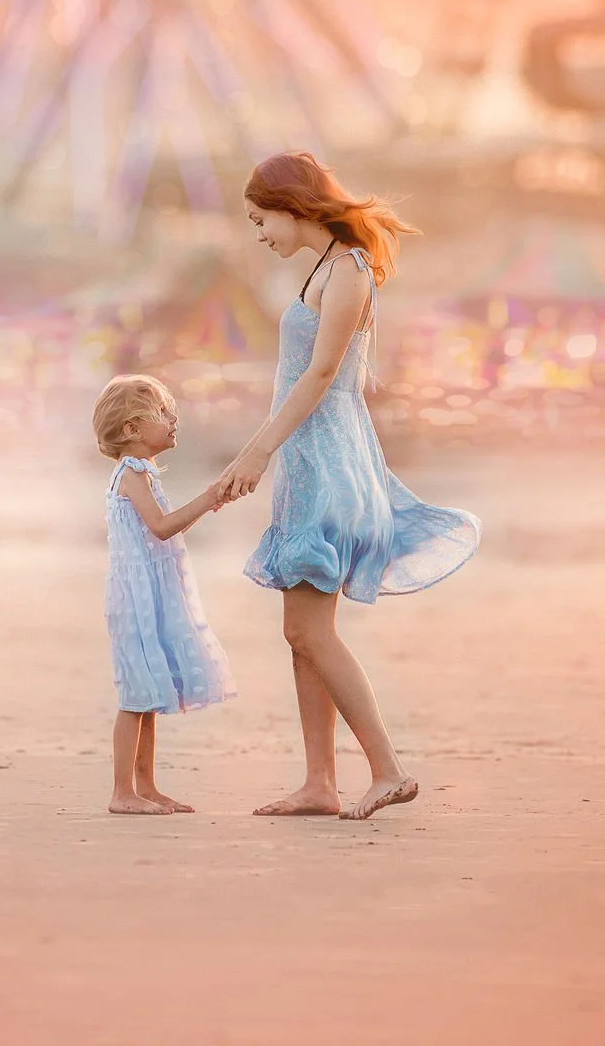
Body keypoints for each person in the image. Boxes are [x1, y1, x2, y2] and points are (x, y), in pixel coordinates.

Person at [219, 152, 481, 821]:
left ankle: (386, 768)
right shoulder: (323, 270)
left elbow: (322, 374)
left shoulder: (348, 271)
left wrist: (257, 448)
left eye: (260, 219)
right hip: (311, 466)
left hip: (327, 470)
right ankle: (319, 782)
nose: (259, 233)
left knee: (312, 632)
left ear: (291, 204)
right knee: (302, 631)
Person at [93, 374, 236, 815]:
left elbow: (164, 529)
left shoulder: (145, 473)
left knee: (149, 693)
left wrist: (212, 501)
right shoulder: (132, 474)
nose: (174, 420)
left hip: (152, 593)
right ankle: (122, 792)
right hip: (135, 599)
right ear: (131, 430)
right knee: (135, 695)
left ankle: (146, 785)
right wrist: (211, 496)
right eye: (162, 413)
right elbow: (161, 526)